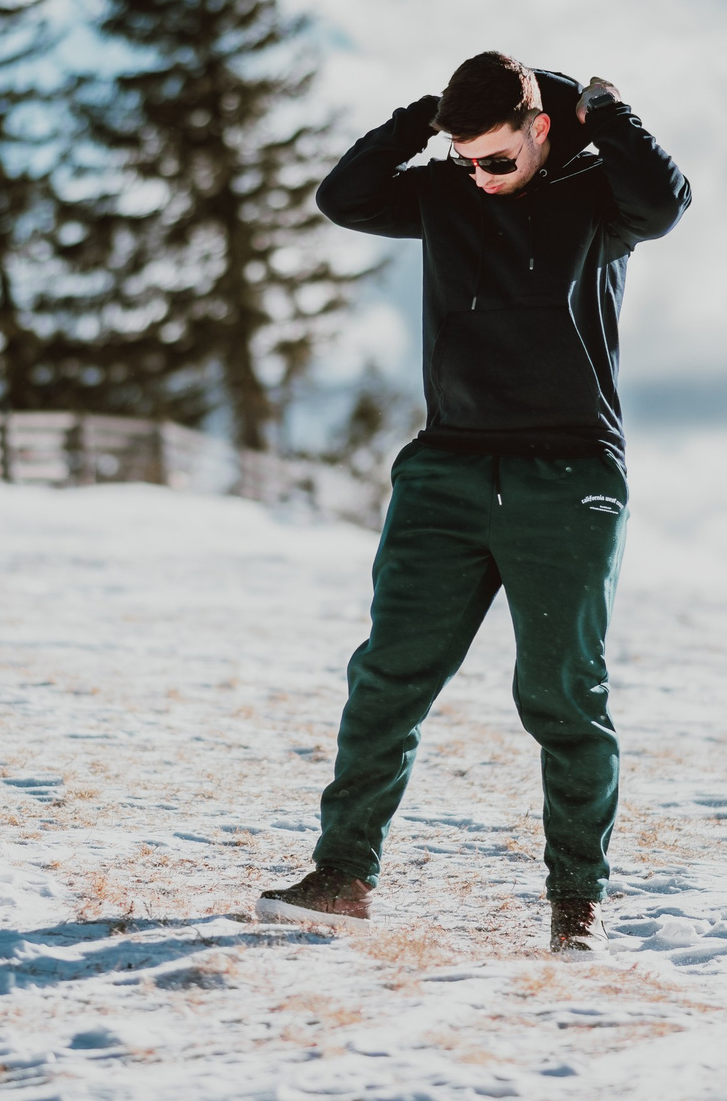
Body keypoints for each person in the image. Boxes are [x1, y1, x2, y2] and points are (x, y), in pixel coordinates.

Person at [257, 51, 691, 953]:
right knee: (387, 677)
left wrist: (600, 106)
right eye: (465, 160)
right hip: (447, 470)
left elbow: (666, 200)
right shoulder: (449, 193)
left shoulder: (599, 198)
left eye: (496, 158)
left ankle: (578, 904)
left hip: (568, 477)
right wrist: (422, 120)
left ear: (539, 129)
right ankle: (342, 874)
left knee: (563, 695)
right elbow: (344, 196)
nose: (480, 180)